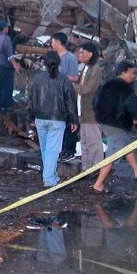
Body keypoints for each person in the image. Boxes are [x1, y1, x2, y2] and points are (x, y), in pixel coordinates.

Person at [26, 50, 78, 188]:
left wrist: (30, 118)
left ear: (44, 63)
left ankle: (50, 175)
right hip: (57, 118)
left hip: (40, 118)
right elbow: (70, 101)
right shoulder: (63, 79)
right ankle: (49, 179)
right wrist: (74, 120)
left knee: (45, 149)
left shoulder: (37, 79)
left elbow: (30, 100)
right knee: (52, 150)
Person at [95, 60, 137, 182]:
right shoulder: (126, 88)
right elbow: (133, 106)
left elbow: (95, 102)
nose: (133, 76)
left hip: (104, 122)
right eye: (132, 73)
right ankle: (98, 184)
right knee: (112, 155)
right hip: (118, 124)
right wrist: (136, 118)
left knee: (127, 145)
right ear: (123, 73)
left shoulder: (106, 84)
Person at [75, 43, 109, 193]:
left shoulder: (95, 70)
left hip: (91, 112)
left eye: (82, 52)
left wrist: (72, 86)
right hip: (83, 111)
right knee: (85, 141)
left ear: (90, 54)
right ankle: (87, 167)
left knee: (94, 141)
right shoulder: (86, 68)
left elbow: (88, 89)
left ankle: (96, 168)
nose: (79, 55)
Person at [50, 32, 79, 160]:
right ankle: (59, 148)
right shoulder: (53, 57)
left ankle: (69, 150)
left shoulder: (70, 58)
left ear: (57, 42)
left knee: (69, 123)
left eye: (52, 41)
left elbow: (75, 77)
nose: (51, 44)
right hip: (54, 95)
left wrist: (59, 76)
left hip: (66, 95)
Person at [0, 22, 20, 111]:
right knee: (6, 86)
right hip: (5, 67)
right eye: (7, 28)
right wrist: (15, 65)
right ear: (4, 28)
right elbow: (9, 55)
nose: (7, 29)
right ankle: (6, 106)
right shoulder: (6, 39)